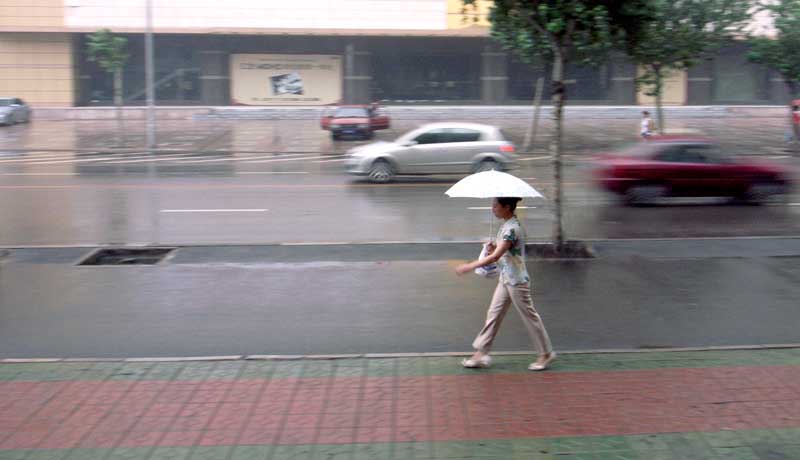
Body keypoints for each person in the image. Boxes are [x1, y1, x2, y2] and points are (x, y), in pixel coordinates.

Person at [455, 197, 555, 371]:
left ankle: (546, 353)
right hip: (506, 278)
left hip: (517, 281)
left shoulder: (512, 229)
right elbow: (504, 254)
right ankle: (481, 353)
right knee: (493, 314)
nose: (492, 208)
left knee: (530, 317)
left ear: (507, 207)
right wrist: (493, 247)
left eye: (495, 205)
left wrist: (469, 266)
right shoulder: (507, 225)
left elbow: (495, 257)